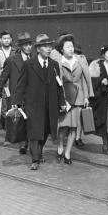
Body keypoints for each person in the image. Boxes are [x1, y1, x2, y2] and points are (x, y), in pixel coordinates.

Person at [14, 33, 65, 170]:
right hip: (33, 105)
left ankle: (39, 152)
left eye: (50, 47)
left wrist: (62, 102)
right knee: (34, 132)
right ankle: (35, 158)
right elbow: (21, 85)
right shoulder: (29, 64)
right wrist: (17, 103)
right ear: (38, 49)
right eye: (45, 47)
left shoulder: (54, 65)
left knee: (45, 131)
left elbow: (59, 86)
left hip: (50, 105)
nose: (49, 49)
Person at [54, 35, 93, 165]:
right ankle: (60, 146)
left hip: (78, 97)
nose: (71, 49)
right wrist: (60, 99)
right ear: (62, 49)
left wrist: (86, 96)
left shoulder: (80, 60)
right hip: (65, 97)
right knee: (63, 126)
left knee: (74, 128)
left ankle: (67, 152)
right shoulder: (58, 62)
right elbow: (57, 82)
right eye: (68, 47)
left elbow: (84, 80)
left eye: (72, 46)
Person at [0, 32, 32, 154]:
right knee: (19, 120)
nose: (28, 47)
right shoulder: (11, 60)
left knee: (30, 120)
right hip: (16, 94)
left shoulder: (34, 59)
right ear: (21, 46)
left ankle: (27, 142)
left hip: (31, 96)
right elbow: (3, 78)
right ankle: (22, 143)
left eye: (30, 45)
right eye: (26, 45)